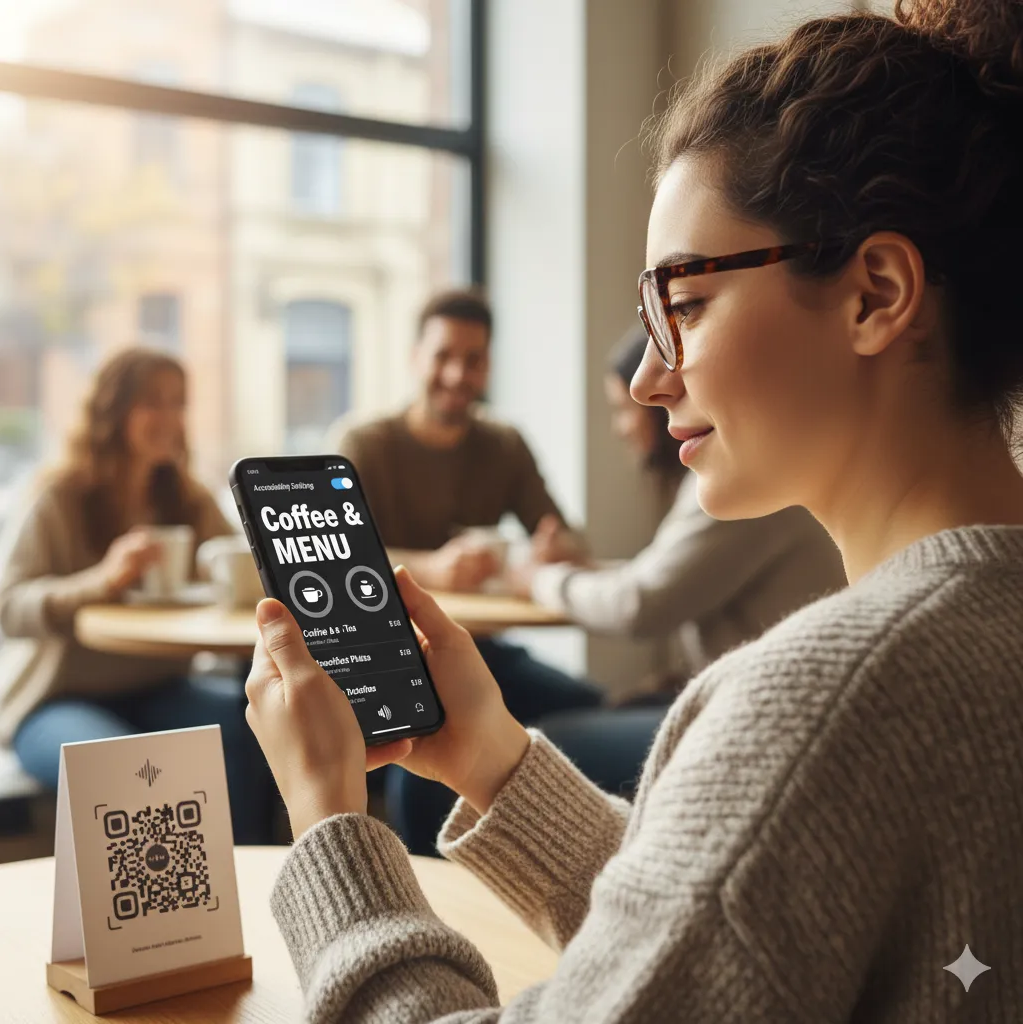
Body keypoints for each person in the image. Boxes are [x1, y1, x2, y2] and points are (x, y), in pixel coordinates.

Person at [244, 0, 1023, 1018]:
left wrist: (327, 829)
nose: (651, 378)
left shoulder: (827, 699)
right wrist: (496, 763)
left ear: (875, 291)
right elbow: (746, 940)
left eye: (682, 304)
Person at [330, 288, 603, 852]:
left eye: (473, 360)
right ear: (415, 358)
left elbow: (565, 533)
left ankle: (558, 860)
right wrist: (435, 568)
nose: (457, 374)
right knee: (427, 739)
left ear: (488, 367)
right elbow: (340, 561)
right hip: (380, 660)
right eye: (443, 356)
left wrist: (556, 547)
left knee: (590, 707)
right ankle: (431, 876)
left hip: (479, 651)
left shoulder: (503, 445)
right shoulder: (365, 443)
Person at [524, 325, 845, 796]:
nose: (622, 424)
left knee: (529, 746)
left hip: (760, 727)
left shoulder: (738, 479)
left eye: (623, 411)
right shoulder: (727, 476)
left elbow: (642, 604)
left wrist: (540, 579)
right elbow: (662, 577)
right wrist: (578, 573)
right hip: (748, 706)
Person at [0, 348, 276, 844]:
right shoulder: (61, 497)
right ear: (113, 409)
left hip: (159, 689)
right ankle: (175, 914)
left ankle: (250, 875)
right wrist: (102, 579)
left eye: (179, 403)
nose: (170, 417)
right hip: (56, 700)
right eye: (153, 401)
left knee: (255, 726)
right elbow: (9, 607)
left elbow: (239, 564)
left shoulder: (188, 498)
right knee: (130, 768)